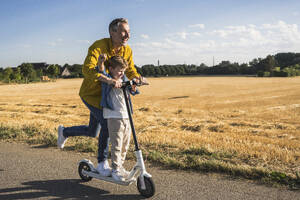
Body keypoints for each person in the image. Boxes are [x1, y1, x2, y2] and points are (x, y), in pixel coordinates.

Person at [57, 18, 143, 177]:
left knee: (92, 131)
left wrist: (137, 79)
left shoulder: (127, 50)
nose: (127, 35)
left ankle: (64, 132)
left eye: (129, 32)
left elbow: (130, 69)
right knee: (107, 125)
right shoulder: (98, 46)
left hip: (109, 96)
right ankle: (103, 163)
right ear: (112, 32)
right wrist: (109, 80)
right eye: (124, 32)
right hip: (93, 95)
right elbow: (88, 70)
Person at [99, 55, 138, 181]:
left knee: (125, 144)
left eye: (123, 71)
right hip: (114, 116)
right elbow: (101, 74)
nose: (122, 73)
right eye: (120, 70)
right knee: (117, 144)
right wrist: (101, 63)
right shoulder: (108, 79)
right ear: (111, 69)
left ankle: (120, 166)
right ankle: (115, 169)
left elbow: (134, 89)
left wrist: (134, 85)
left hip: (126, 116)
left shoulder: (124, 79)